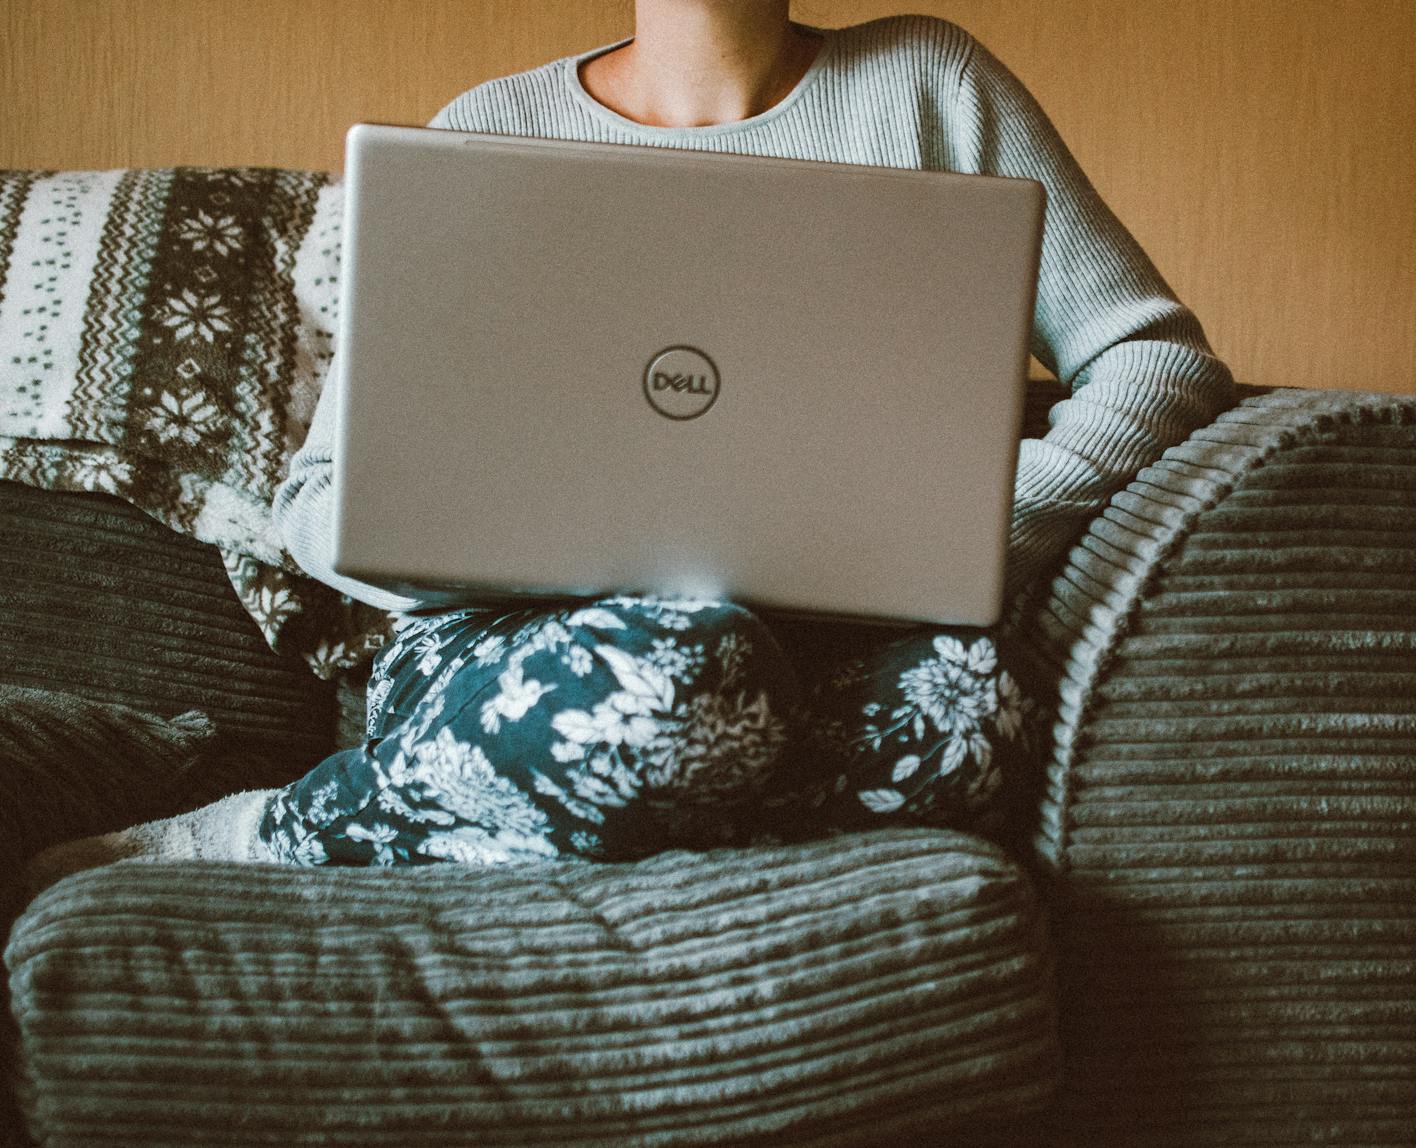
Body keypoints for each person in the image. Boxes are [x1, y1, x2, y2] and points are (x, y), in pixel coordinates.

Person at [26, 1, 1237, 882]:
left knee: (976, 709)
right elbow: (317, 500)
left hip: (819, 653)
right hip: (520, 654)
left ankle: (541, 817)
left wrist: (970, 527)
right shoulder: (488, 129)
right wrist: (496, 545)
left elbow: (1156, 358)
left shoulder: (931, 83)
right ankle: (272, 832)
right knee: (682, 673)